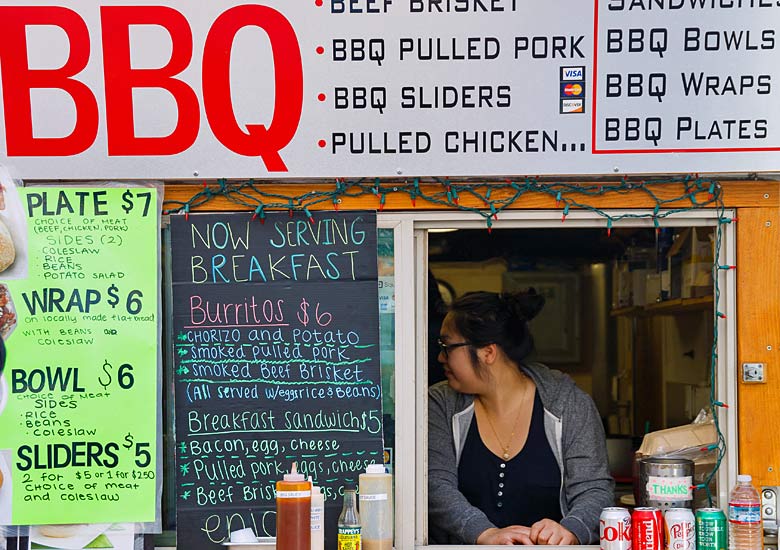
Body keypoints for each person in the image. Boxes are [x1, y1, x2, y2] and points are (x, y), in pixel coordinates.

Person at [428, 290, 613, 545]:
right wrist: (486, 534)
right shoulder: (439, 404)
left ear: (488, 353)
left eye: (447, 347)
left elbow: (594, 490)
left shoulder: (568, 403)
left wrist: (570, 530)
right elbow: (435, 486)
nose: (440, 357)